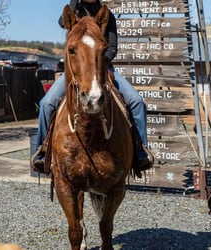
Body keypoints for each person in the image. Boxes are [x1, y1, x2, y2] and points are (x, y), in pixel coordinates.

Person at [32, 0, 152, 173]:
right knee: (46, 103)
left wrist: (97, 63)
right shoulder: (74, 11)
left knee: (137, 101)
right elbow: (61, 22)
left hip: (102, 67)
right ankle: (42, 152)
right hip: (77, 70)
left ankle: (140, 151)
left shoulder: (105, 15)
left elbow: (112, 48)